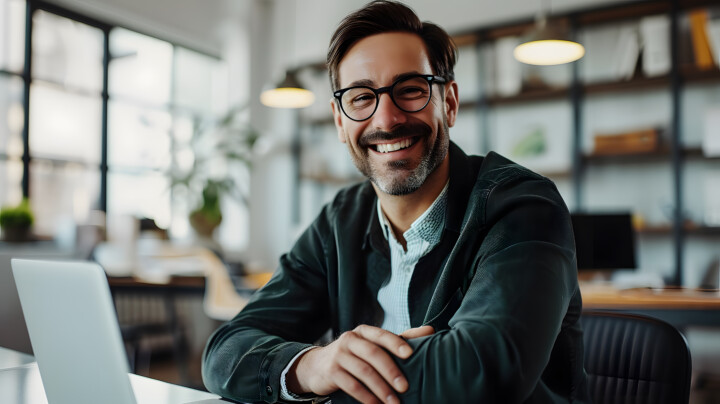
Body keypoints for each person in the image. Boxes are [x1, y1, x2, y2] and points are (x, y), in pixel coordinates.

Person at [202, 1, 589, 403]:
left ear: (449, 103)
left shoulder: (523, 206)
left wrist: (343, 373)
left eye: (410, 90)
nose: (386, 120)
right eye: (361, 98)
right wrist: (315, 365)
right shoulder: (339, 221)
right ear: (339, 120)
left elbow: (486, 370)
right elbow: (224, 352)